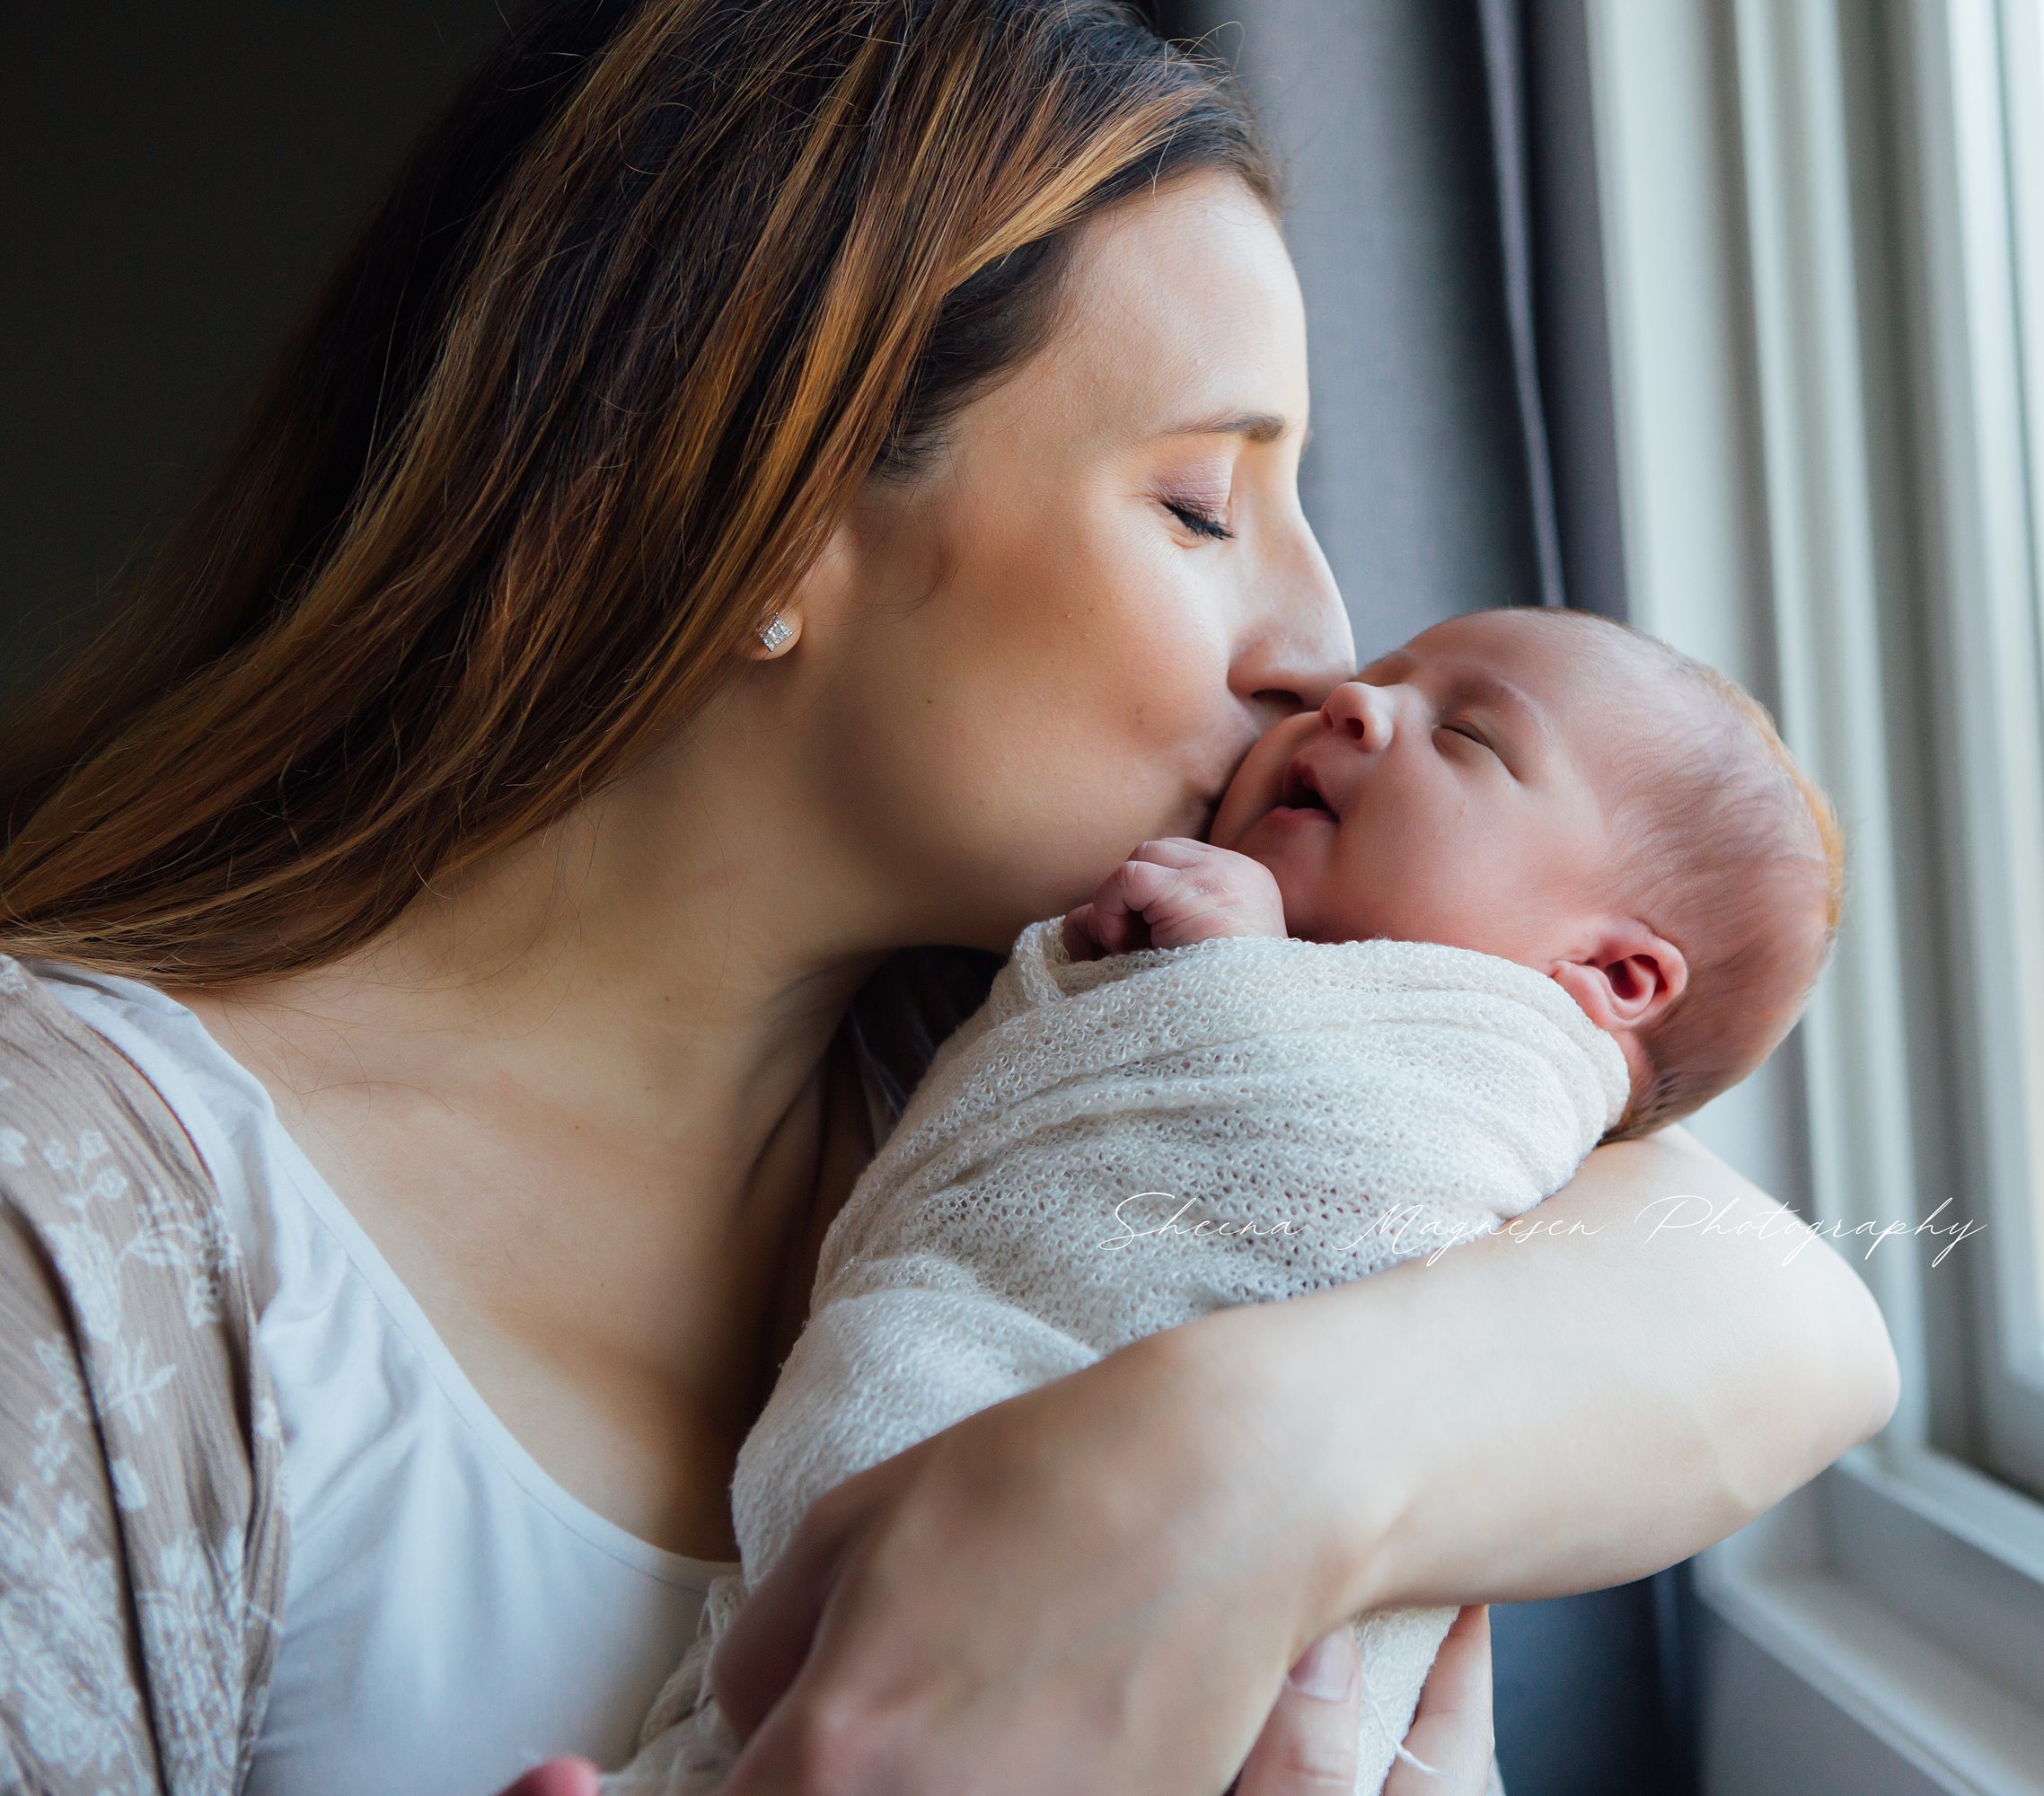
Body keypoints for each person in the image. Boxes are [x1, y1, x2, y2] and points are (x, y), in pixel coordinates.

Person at [0, 4, 1899, 1793]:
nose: (1324, 644)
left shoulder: (1038, 1062)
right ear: (763, 513)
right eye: (1199, 506)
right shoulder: (93, 1228)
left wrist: (1231, 1467)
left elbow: (1799, 1312)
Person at [607, 603, 1847, 1794]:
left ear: (1611, 977)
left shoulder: (1507, 1074)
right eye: (1393, 675)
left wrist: (1237, 990)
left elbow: (1371, 1202)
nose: (1350, 698)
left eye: (1464, 734)